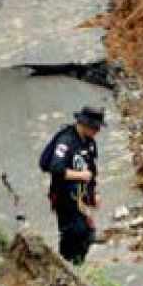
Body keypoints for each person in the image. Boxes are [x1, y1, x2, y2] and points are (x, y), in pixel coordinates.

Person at [46, 105, 104, 265]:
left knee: (86, 233)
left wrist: (94, 195)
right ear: (84, 124)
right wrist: (79, 175)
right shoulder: (66, 140)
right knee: (73, 233)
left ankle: (78, 266)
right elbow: (55, 168)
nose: (97, 132)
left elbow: (91, 170)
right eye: (95, 128)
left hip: (81, 196)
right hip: (64, 196)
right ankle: (65, 265)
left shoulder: (89, 143)